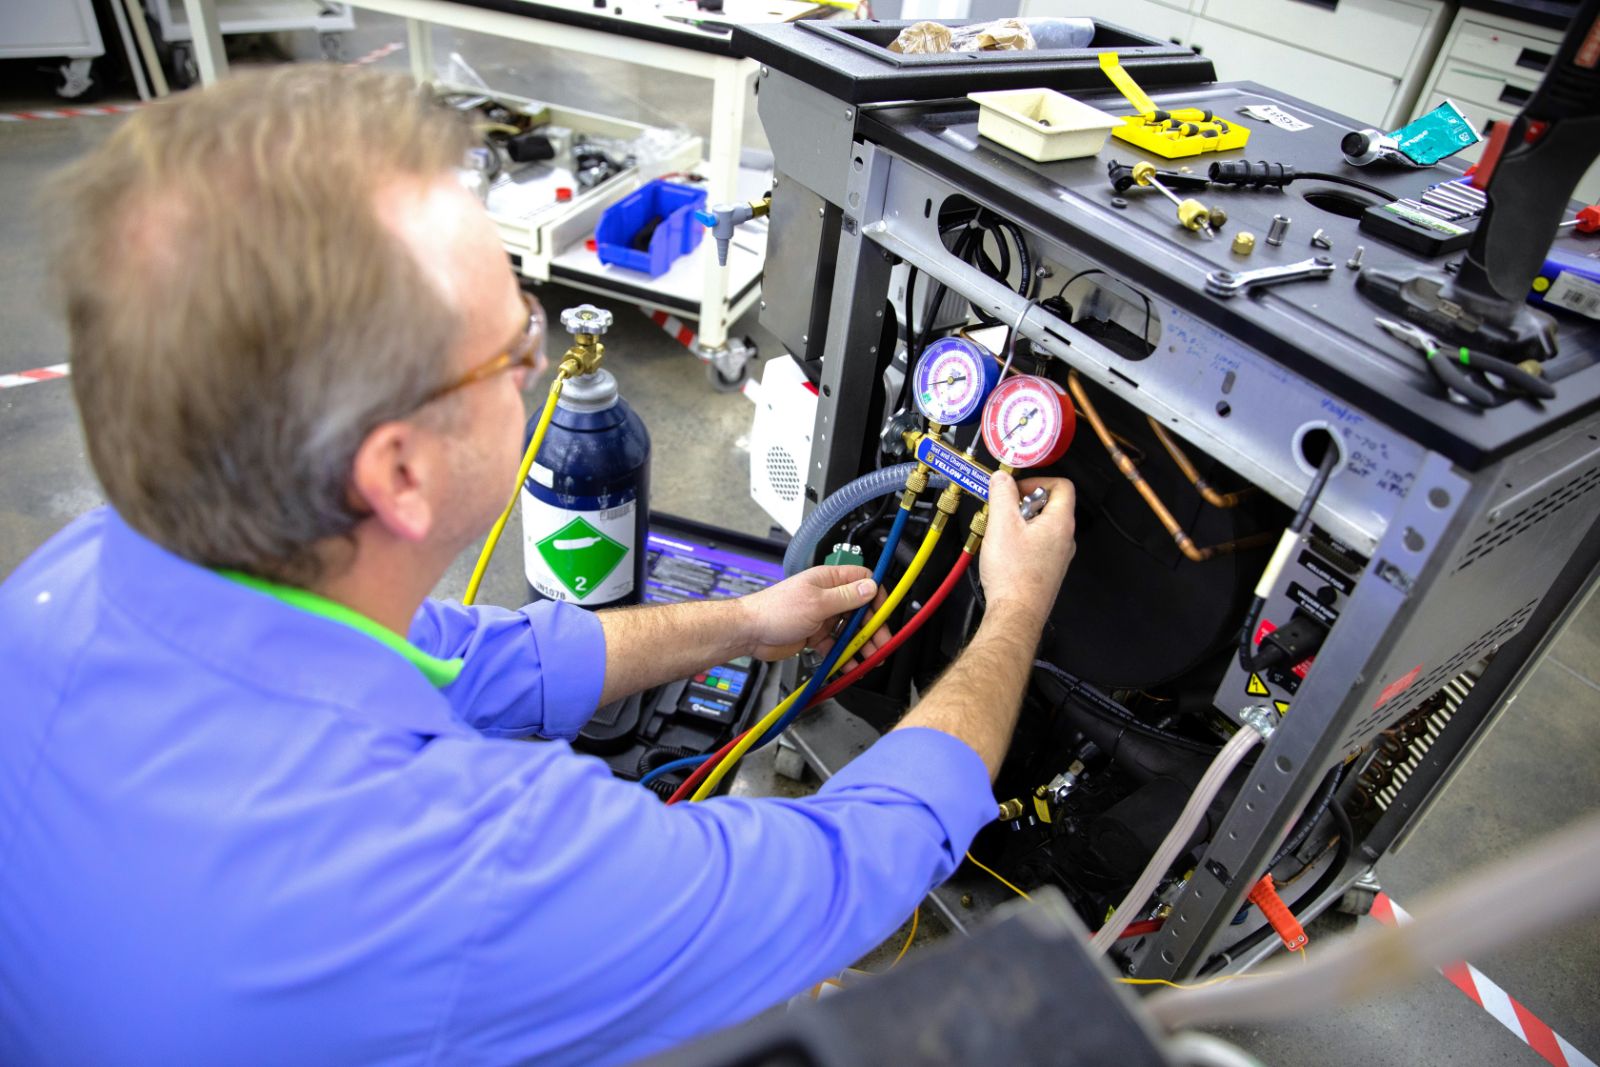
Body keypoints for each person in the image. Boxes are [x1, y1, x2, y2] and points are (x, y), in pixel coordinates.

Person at [0, 65, 1076, 1066]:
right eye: (515, 346)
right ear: (400, 472)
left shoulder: (76, 579)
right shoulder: (477, 866)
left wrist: (748, 621)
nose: (535, 370)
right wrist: (1013, 610)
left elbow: (488, 658)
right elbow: (852, 862)